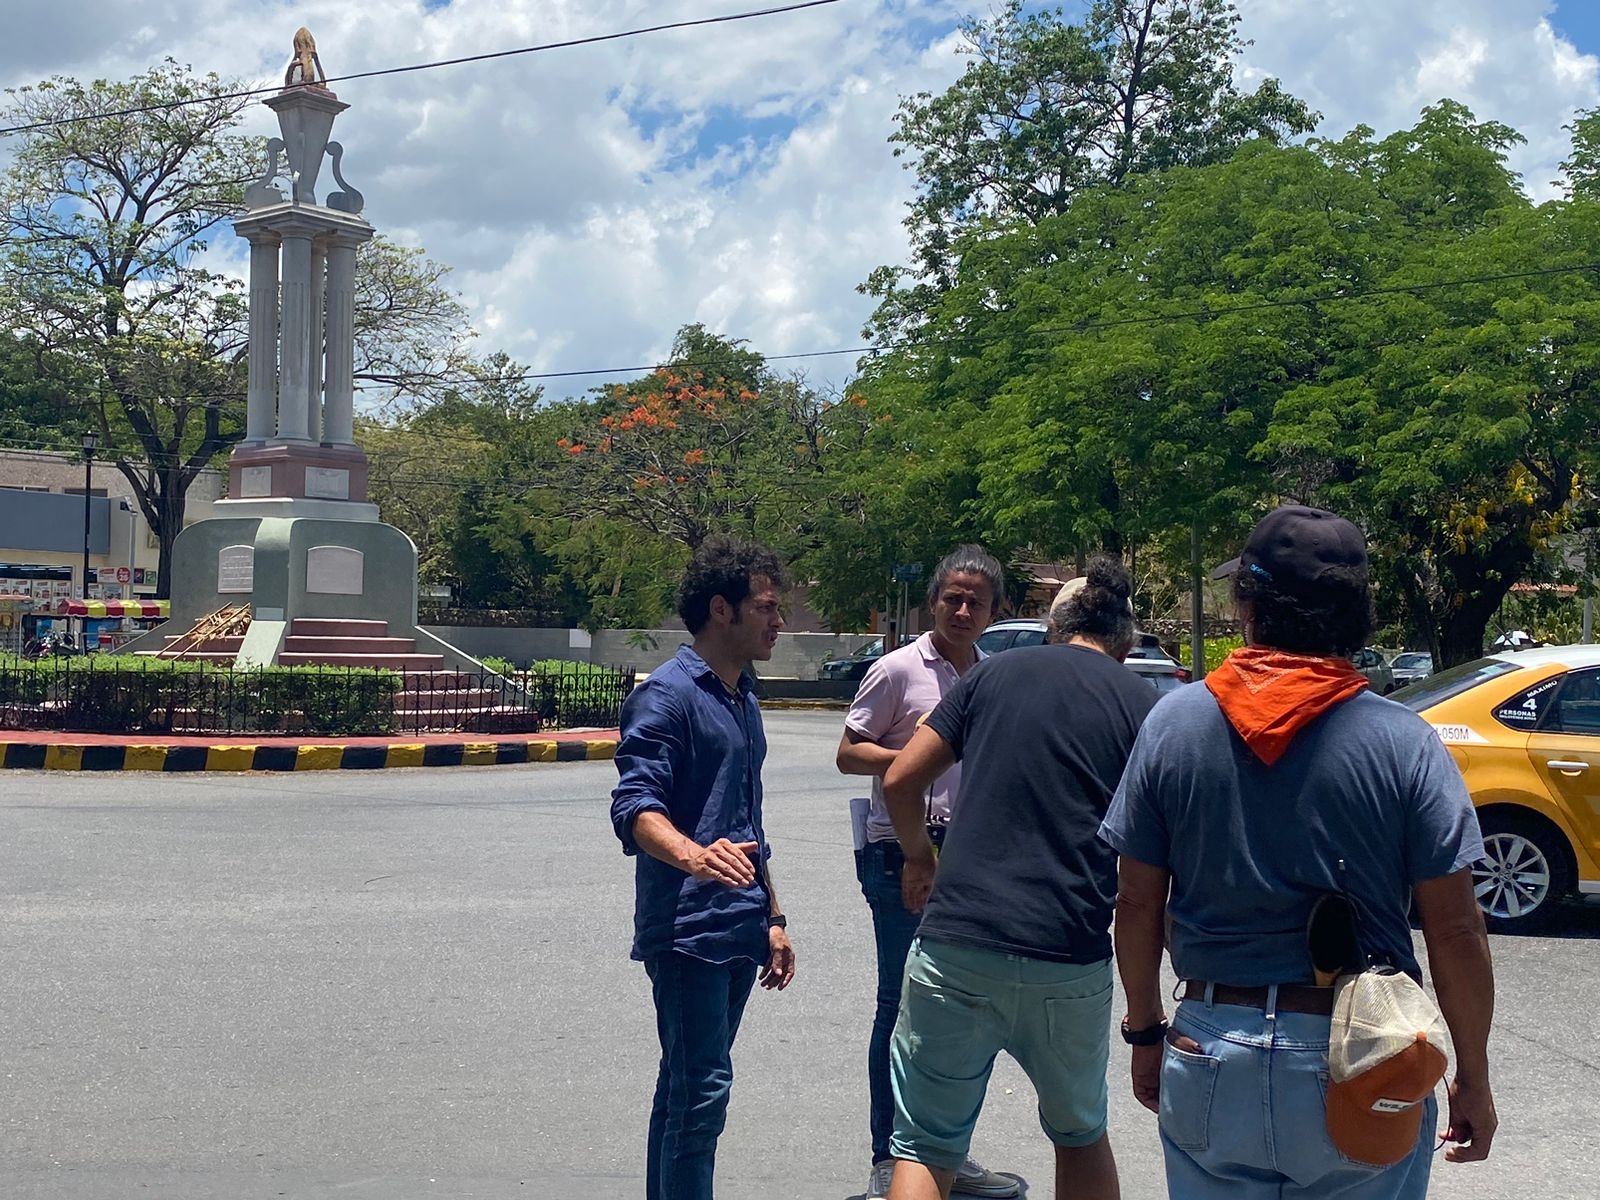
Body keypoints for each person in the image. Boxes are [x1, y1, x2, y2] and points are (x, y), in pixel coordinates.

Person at [1100, 505, 1496, 1199]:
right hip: (1364, 1053)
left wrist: (1144, 1032)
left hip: (1210, 1043)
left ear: (1247, 604)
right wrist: (1473, 1074)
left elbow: (1136, 902)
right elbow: (1456, 929)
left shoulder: (1176, 723)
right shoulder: (1402, 740)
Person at [881, 557, 1156, 1200]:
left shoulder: (991, 675)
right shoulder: (1143, 705)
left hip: (958, 942)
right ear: (1125, 642)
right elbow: (1150, 873)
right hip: (1069, 950)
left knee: (925, 1147)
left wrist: (922, 858)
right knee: (1080, 1132)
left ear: (1050, 627)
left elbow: (900, 779)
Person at [608, 536, 798, 1200]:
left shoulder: (742, 697)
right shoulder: (667, 697)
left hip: (736, 926)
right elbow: (635, 808)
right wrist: (694, 855)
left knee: (686, 1090)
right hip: (687, 928)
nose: (780, 623)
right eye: (768, 608)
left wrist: (771, 917)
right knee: (702, 1096)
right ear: (723, 609)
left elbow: (747, 822)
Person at [836, 545, 1017, 1200]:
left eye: (976, 601)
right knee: (900, 1004)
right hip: (900, 854)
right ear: (932, 602)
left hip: (968, 862)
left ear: (995, 612)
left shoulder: (991, 678)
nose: (963, 610)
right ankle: (890, 1158)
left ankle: (944, 1152)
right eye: (953, 598)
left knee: (960, 1008)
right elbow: (847, 753)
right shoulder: (896, 670)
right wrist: (910, 755)